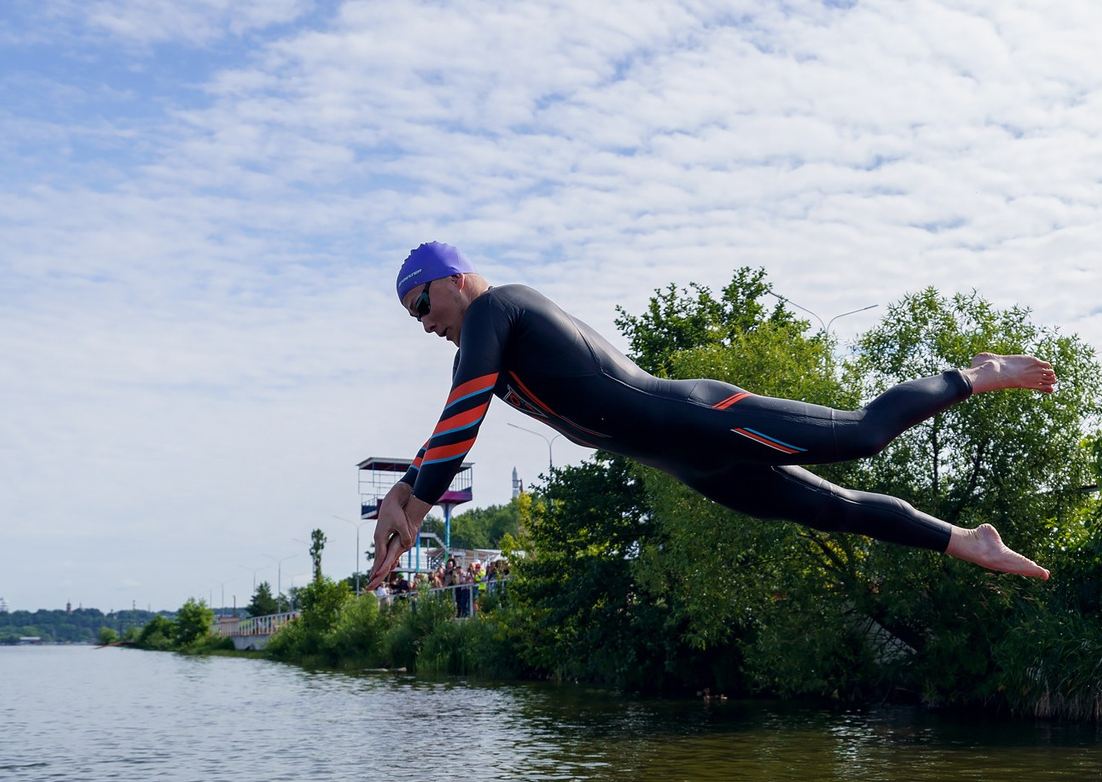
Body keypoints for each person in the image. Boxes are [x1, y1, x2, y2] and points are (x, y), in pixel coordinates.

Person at [369, 243, 1058, 586]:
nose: (424, 323)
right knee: (835, 509)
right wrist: (404, 491)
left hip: (702, 418)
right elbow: (455, 420)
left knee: (863, 434)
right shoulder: (487, 352)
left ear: (456, 278)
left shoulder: (497, 309)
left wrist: (420, 500)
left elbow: (462, 411)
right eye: (412, 317)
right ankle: (968, 540)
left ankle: (977, 373)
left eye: (423, 304)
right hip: (690, 463)